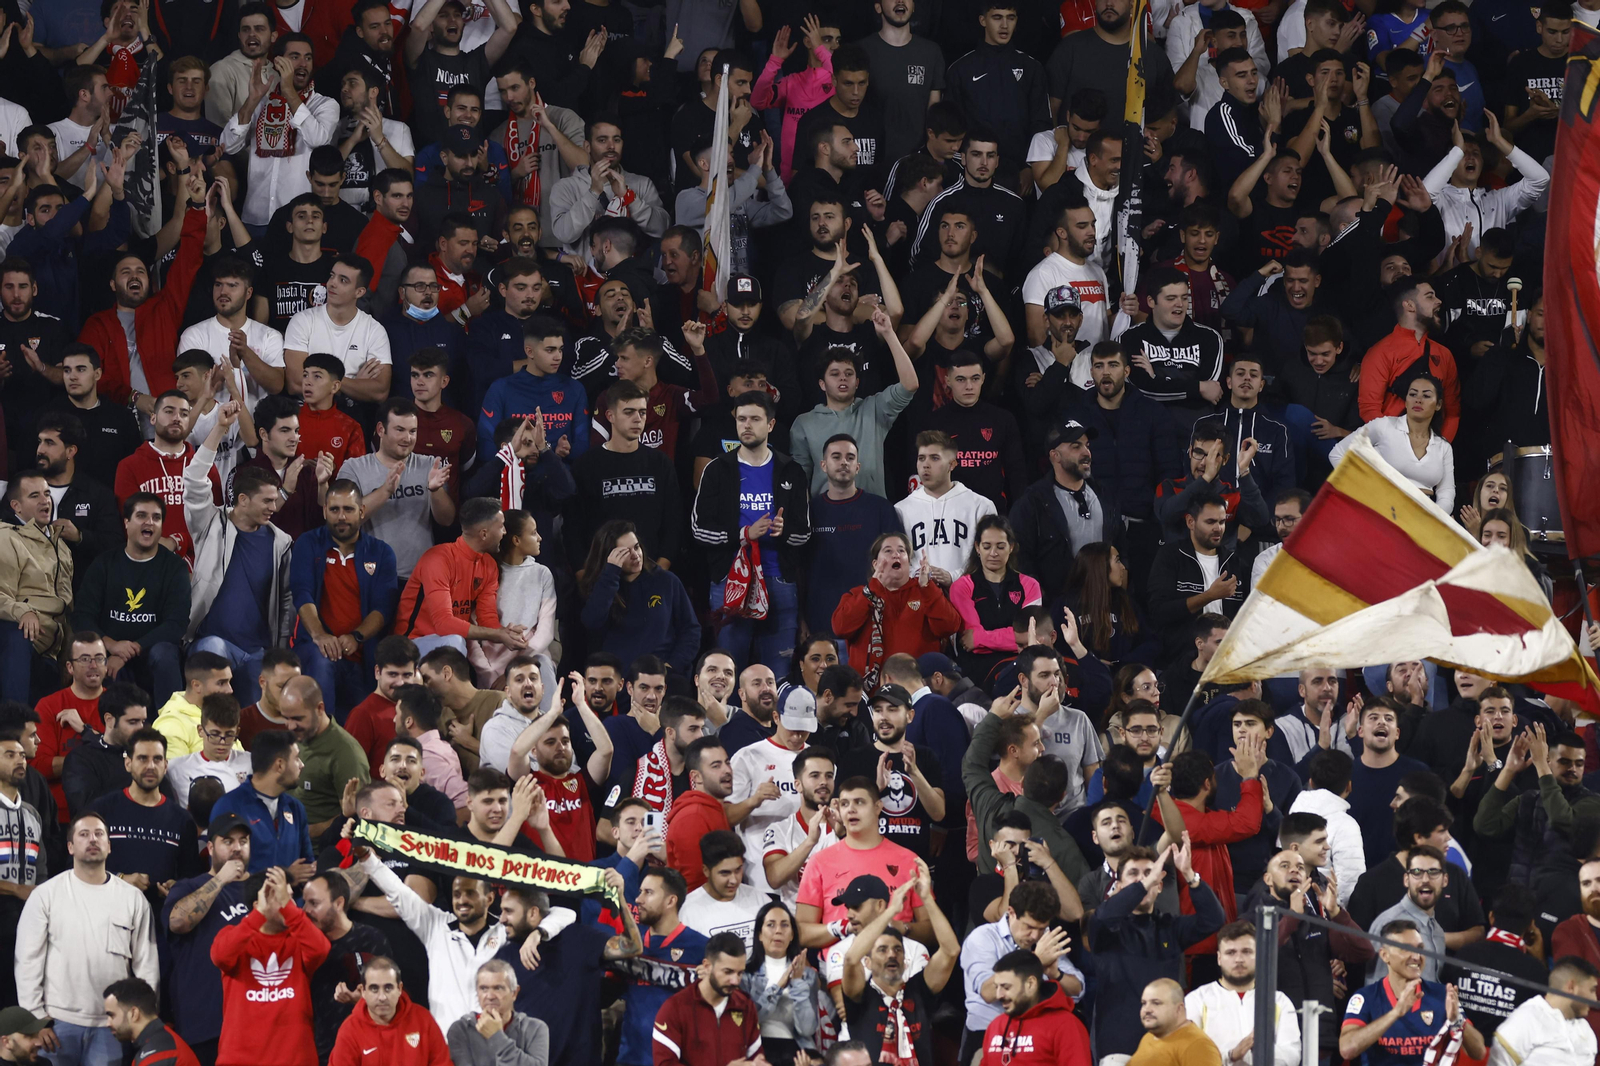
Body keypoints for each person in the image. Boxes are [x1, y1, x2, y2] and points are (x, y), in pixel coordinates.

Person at [15, 811, 158, 1066]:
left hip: (112, 1028)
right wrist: (35, 1019)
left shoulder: (133, 899)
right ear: (70, 847)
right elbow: (27, 961)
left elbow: (147, 967)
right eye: (84, 834)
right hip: (56, 1026)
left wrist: (141, 1021)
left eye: (99, 834)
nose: (92, 839)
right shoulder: (45, 895)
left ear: (109, 846)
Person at [690, 390, 811, 676]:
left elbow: (805, 533)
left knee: (778, 675)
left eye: (755, 419)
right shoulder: (717, 469)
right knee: (727, 674)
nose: (746, 425)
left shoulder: (791, 470)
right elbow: (698, 529)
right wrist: (744, 534)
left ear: (770, 424)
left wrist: (783, 531)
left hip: (779, 580)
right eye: (741, 419)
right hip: (730, 580)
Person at [184, 407, 296, 707]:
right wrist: (220, 428)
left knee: (256, 720)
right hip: (213, 643)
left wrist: (279, 652)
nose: (274, 506)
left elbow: (285, 603)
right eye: (267, 500)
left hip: (258, 652)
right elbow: (194, 480)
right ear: (243, 500)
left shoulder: (281, 542)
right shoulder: (210, 524)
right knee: (211, 650)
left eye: (275, 499)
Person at [1090, 841, 1223, 1059]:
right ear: (1120, 886)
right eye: (1133, 874)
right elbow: (1102, 917)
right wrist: (1144, 884)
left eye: (1149, 874)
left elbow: (1213, 920)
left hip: (1165, 1047)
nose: (1144, 879)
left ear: (1160, 886)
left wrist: (1189, 874)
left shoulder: (1170, 927)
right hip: (1119, 1048)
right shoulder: (1106, 928)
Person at [289, 481, 401, 715]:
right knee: (321, 661)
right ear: (324, 511)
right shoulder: (308, 544)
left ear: (361, 511)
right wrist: (320, 635)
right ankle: (320, 734)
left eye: (348, 509)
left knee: (362, 720)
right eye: (334, 509)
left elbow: (383, 607)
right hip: (315, 650)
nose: (341, 516)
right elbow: (302, 593)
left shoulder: (381, 552)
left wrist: (356, 637)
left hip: (363, 656)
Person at [839, 862, 961, 1065]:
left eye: (897, 949)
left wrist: (926, 899)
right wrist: (891, 911)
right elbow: (851, 959)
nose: (891, 955)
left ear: (905, 960)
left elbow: (951, 950)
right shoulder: (861, 997)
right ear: (867, 962)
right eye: (882, 950)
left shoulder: (919, 991)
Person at [212, 866, 331, 1066]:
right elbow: (220, 956)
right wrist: (258, 915)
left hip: (296, 1061)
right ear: (259, 903)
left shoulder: (300, 938)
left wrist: (288, 908)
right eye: (282, 898)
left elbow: (321, 950)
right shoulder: (233, 935)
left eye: (290, 897)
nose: (290, 904)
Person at [162, 812, 253, 1066]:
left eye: (243, 841)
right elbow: (178, 922)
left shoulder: (263, 887)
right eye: (228, 841)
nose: (237, 848)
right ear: (211, 848)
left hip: (256, 1019)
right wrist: (221, 879)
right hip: (207, 1023)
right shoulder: (188, 887)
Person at [959, 880, 1081, 1061]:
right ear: (1011, 913)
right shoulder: (983, 938)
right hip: (987, 1034)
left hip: (1036, 1034)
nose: (1035, 936)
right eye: (1029, 927)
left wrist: (1055, 974)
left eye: (1041, 928)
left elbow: (1078, 990)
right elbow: (988, 993)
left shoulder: (1045, 940)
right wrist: (1036, 962)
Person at [1340, 920, 1486, 1064]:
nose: (1416, 956)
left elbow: (1479, 1052)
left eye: (1420, 948)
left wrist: (1457, 1020)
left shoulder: (1442, 995)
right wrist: (1395, 1013)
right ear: (1385, 955)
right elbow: (1347, 1049)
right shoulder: (1366, 997)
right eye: (1405, 949)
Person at [832, 532, 962, 691]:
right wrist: (872, 590)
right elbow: (841, 627)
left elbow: (950, 626)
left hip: (917, 691)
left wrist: (927, 588)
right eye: (888, 551)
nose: (896, 555)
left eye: (901, 551)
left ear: (909, 561)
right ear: (875, 564)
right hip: (869, 695)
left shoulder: (926, 591)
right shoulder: (858, 595)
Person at [1330, 372, 1455, 510]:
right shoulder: (1384, 426)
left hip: (1420, 515)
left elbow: (1446, 491)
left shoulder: (1443, 446)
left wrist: (1436, 516)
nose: (1418, 400)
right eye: (1413, 394)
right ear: (1406, 401)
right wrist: (1362, 491)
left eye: (1426, 396)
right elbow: (1338, 453)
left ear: (1438, 404)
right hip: (1380, 509)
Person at [1184, 920, 1301, 1065]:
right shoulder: (1197, 1000)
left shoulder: (1279, 1001)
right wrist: (1231, 1055)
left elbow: (1292, 1054)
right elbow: (1189, 1054)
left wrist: (1257, 1054)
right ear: (1219, 958)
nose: (1239, 959)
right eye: (1230, 953)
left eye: (1246, 952)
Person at [650, 931, 764, 1066]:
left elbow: (756, 1059)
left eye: (740, 973)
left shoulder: (745, 1006)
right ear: (707, 966)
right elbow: (665, 1064)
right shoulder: (674, 1009)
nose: (735, 981)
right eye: (728, 972)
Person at [207, 731, 314, 876]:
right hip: (246, 892)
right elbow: (222, 873)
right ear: (280, 765)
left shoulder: (295, 808)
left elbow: (307, 867)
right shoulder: (228, 807)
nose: (301, 765)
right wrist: (285, 876)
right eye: (296, 758)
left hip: (292, 892)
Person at [277, 677, 369, 836]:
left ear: (320, 708)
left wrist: (309, 831)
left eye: (298, 718)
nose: (290, 726)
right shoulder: (295, 737)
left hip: (320, 848)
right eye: (286, 718)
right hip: (285, 843)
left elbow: (357, 815)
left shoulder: (346, 753)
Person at [327, 955, 449, 1066]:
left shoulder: (423, 1020)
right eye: (374, 989)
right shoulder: (349, 1030)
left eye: (388, 988)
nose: (382, 997)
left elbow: (442, 1063)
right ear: (363, 991)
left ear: (399, 989)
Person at [1488, 955, 1599, 1065]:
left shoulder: (1585, 1030)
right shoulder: (1526, 1020)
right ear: (1571, 987)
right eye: (1592, 990)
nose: (1594, 999)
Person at [680, 829, 769, 948]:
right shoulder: (687, 911)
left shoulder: (761, 900)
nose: (734, 880)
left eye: (738, 870)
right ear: (706, 871)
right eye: (725, 873)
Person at [103, 978, 201, 1066]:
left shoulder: (158, 1056)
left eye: (112, 1015)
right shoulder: (159, 1042)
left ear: (133, 1014)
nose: (108, 1023)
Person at [1129, 978, 1222, 1065]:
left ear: (1179, 1009)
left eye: (1156, 1003)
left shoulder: (1198, 1046)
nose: (1147, 1009)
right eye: (1144, 1003)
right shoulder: (1149, 1037)